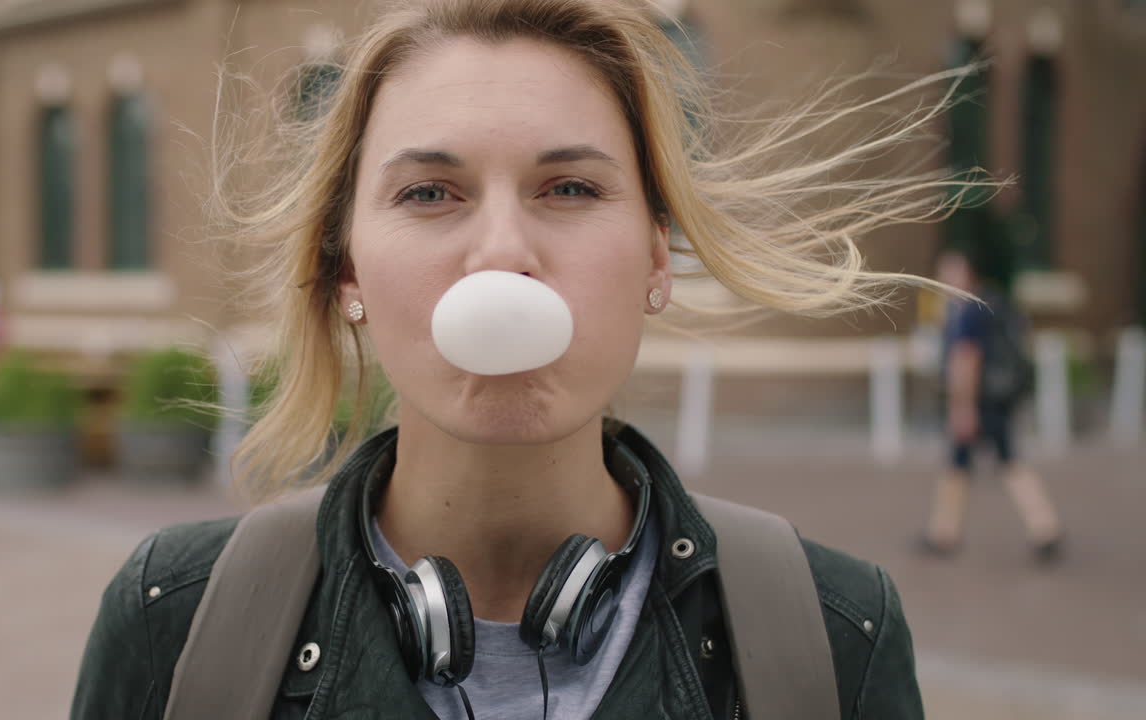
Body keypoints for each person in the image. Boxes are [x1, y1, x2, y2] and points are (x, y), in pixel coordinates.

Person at [72, 1, 963, 717]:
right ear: (347, 270)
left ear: (658, 256)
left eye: (570, 188)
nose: (501, 250)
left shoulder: (838, 634)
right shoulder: (173, 623)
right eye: (429, 192)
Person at [922, 246, 1063, 561]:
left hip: (979, 402)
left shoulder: (965, 311)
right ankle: (944, 531)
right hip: (994, 399)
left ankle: (1044, 526)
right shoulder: (988, 303)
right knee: (966, 464)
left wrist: (962, 408)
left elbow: (966, 360)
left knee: (1003, 461)